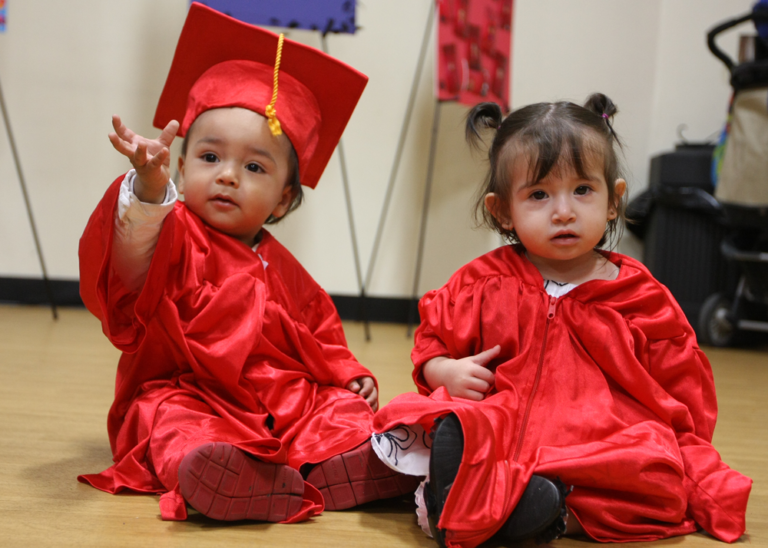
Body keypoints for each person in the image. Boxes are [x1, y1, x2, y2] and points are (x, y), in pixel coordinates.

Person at [78, 3, 417, 524]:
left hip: (276, 399)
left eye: (254, 166)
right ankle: (226, 475)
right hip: (187, 392)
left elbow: (320, 332)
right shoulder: (173, 233)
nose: (228, 175)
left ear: (283, 200)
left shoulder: (282, 266)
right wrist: (148, 189)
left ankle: (336, 465)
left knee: (338, 408)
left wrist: (349, 375)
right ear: (184, 164)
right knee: (169, 424)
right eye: (210, 158)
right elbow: (128, 263)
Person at [371, 94, 752, 547]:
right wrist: (445, 371)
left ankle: (541, 513)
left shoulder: (641, 298)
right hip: (502, 422)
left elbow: (684, 391)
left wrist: (686, 450)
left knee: (656, 478)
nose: (564, 211)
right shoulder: (483, 282)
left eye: (583, 190)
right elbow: (432, 341)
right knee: (435, 422)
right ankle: (472, 495)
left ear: (614, 201)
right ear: (502, 211)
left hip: (600, 444)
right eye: (538, 194)